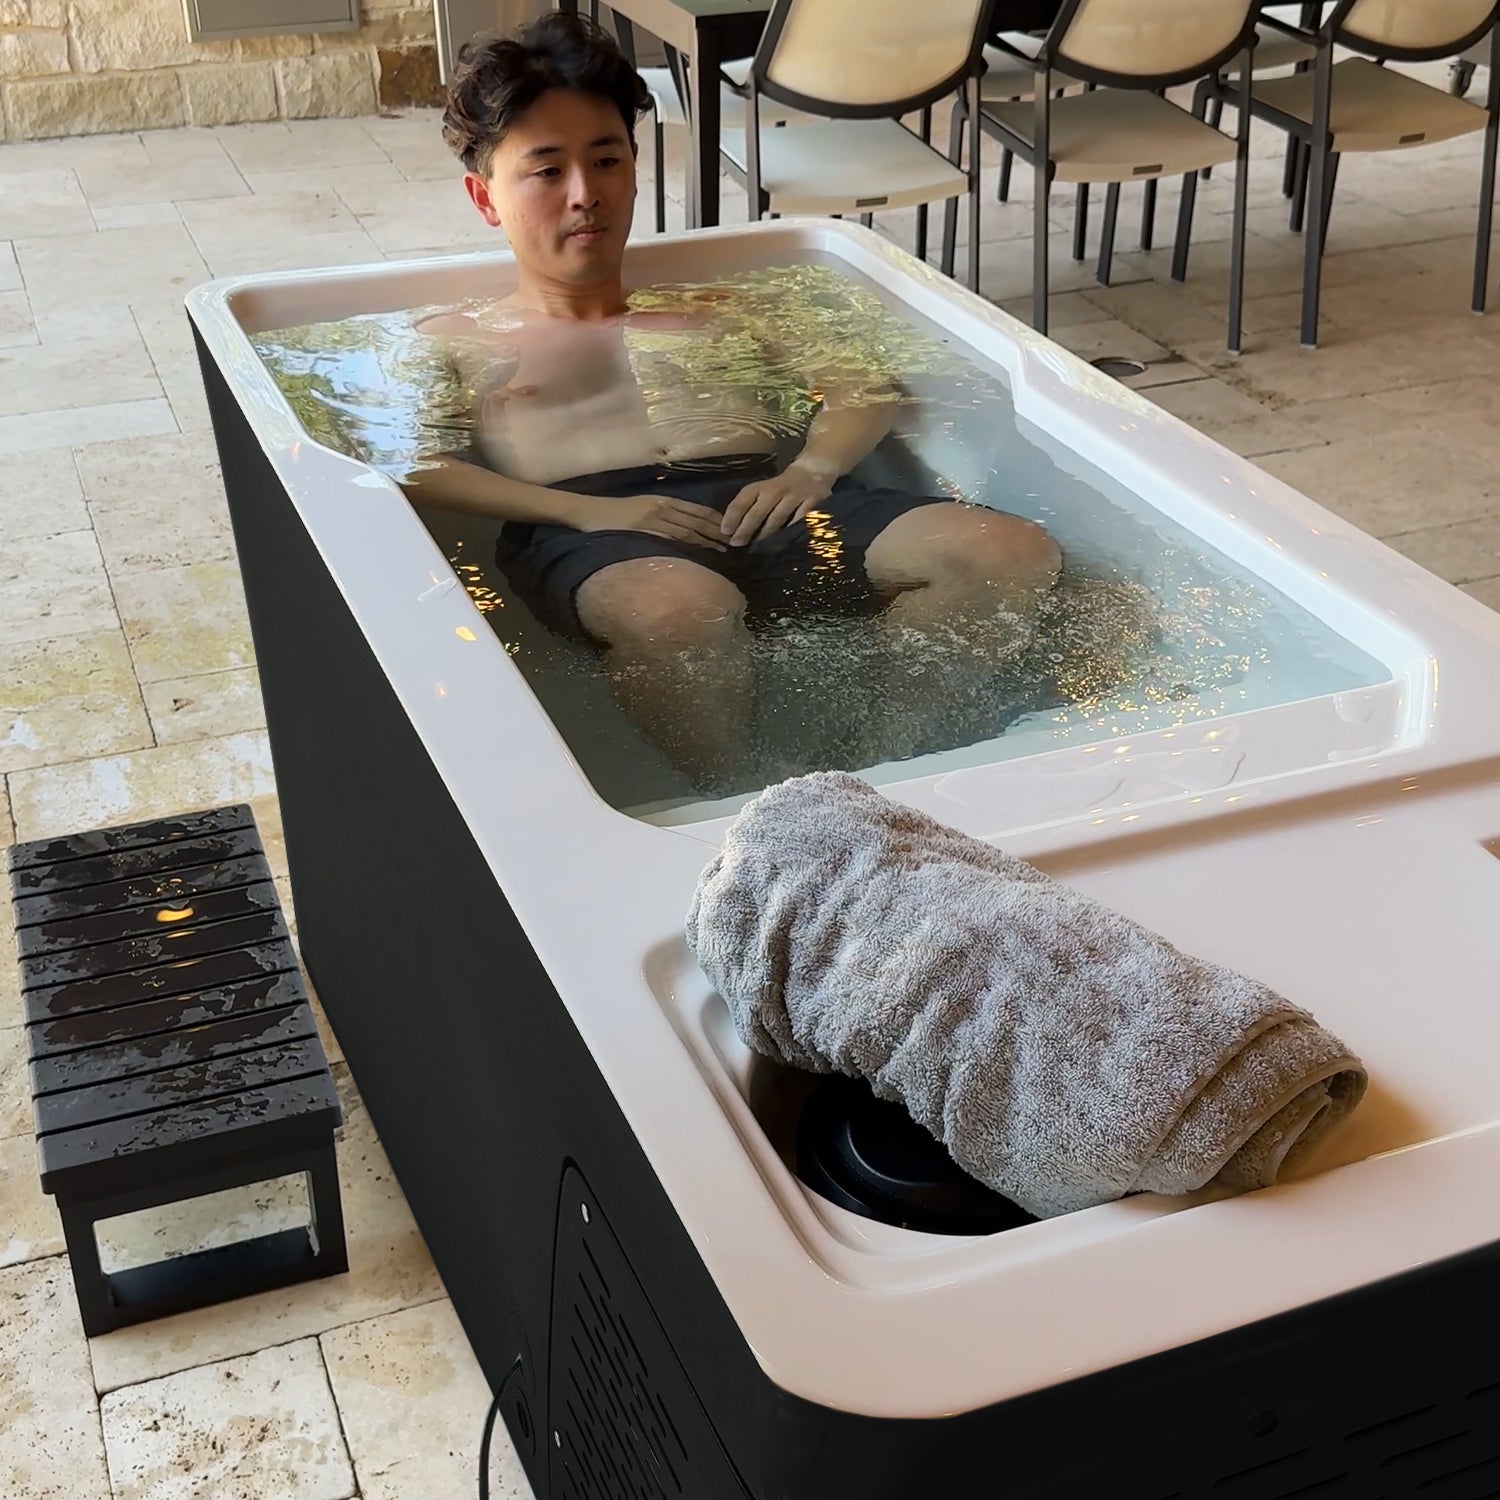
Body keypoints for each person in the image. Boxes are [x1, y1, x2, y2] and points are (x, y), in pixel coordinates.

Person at [403, 13, 1062, 784]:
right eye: (547, 171)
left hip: (772, 502)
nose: (586, 194)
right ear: (486, 197)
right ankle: (736, 794)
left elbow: (863, 388)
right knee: (681, 612)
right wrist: (591, 513)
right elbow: (421, 467)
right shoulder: (454, 337)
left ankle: (878, 764)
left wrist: (811, 469)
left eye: (607, 159)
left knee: (1011, 551)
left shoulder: (724, 305)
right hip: (591, 529)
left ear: (636, 168)